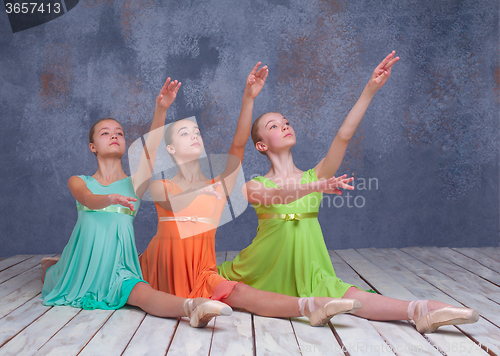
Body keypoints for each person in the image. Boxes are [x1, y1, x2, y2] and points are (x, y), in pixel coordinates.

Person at [217, 52, 479, 333]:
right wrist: (249, 99)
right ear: (261, 146)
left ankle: (420, 310)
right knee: (229, 289)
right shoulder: (256, 185)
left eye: (286, 122)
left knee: (352, 297)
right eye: (273, 126)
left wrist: (370, 89)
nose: (284, 126)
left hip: (310, 265)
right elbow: (277, 196)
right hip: (261, 267)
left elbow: (343, 135)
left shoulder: (315, 175)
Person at [139, 63, 363, 327]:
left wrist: (248, 98)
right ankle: (190, 307)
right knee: (143, 295)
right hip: (161, 265)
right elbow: (144, 168)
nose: (194, 135)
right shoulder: (162, 187)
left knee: (243, 293)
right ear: (171, 149)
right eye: (184, 133)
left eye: (196, 132)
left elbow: (238, 143)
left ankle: (311, 305)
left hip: (202, 270)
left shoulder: (218, 186)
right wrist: (161, 110)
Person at [41, 78, 232, 328]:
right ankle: (52, 265)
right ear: (92, 147)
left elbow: (150, 152)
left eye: (119, 133)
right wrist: (109, 199)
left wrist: (161, 109)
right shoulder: (79, 181)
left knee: (141, 293)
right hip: (82, 259)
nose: (114, 136)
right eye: (105, 133)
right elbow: (87, 199)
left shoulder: (135, 184)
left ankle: (192, 307)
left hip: (119, 263)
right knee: (51, 276)